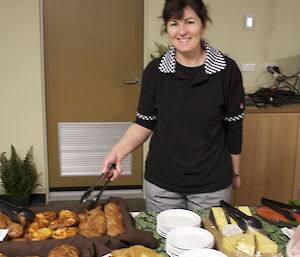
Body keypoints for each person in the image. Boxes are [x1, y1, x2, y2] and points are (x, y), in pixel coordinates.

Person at [101, 0, 245, 211]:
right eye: (174, 23)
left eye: (190, 22)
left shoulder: (227, 71)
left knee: (208, 242)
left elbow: (234, 126)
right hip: (162, 185)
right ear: (167, 28)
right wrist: (117, 152)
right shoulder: (155, 71)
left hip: (211, 185)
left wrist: (235, 172)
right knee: (164, 242)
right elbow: (143, 123)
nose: (182, 31)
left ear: (203, 25)